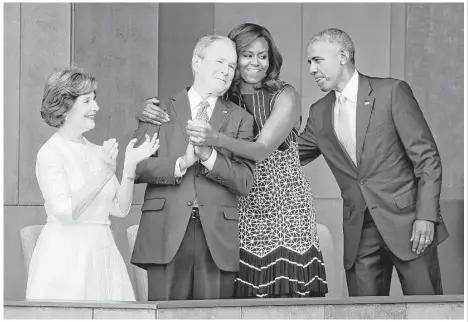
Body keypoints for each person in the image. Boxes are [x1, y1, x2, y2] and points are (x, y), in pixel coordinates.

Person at [139, 23, 328, 298]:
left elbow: (262, 149)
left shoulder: (285, 94)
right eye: (247, 55)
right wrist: (143, 107)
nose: (256, 62)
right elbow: (186, 101)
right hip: (241, 202)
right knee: (241, 292)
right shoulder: (225, 95)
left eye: (263, 56)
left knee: (285, 290)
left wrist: (214, 138)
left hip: (283, 203)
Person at [298, 28, 449, 296]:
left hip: (410, 223)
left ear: (342, 56)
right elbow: (290, 157)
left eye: (317, 60)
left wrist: (426, 216)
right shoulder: (319, 111)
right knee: (362, 313)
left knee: (428, 310)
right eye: (309, 62)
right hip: (359, 231)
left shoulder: (391, 92)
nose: (311, 69)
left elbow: (427, 159)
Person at [130, 35, 256, 301]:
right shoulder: (158, 110)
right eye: (220, 61)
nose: (227, 70)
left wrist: (209, 156)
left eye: (232, 66)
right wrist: (180, 163)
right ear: (196, 63)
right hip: (165, 232)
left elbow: (245, 181)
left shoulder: (241, 119)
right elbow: (137, 168)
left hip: (217, 238)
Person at [26, 67, 159, 301]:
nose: (96, 107)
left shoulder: (99, 152)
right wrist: (105, 174)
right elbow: (65, 211)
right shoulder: (50, 153)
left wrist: (129, 166)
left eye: (94, 100)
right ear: (65, 107)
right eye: (87, 101)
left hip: (104, 252)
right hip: (66, 259)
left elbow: (120, 209)